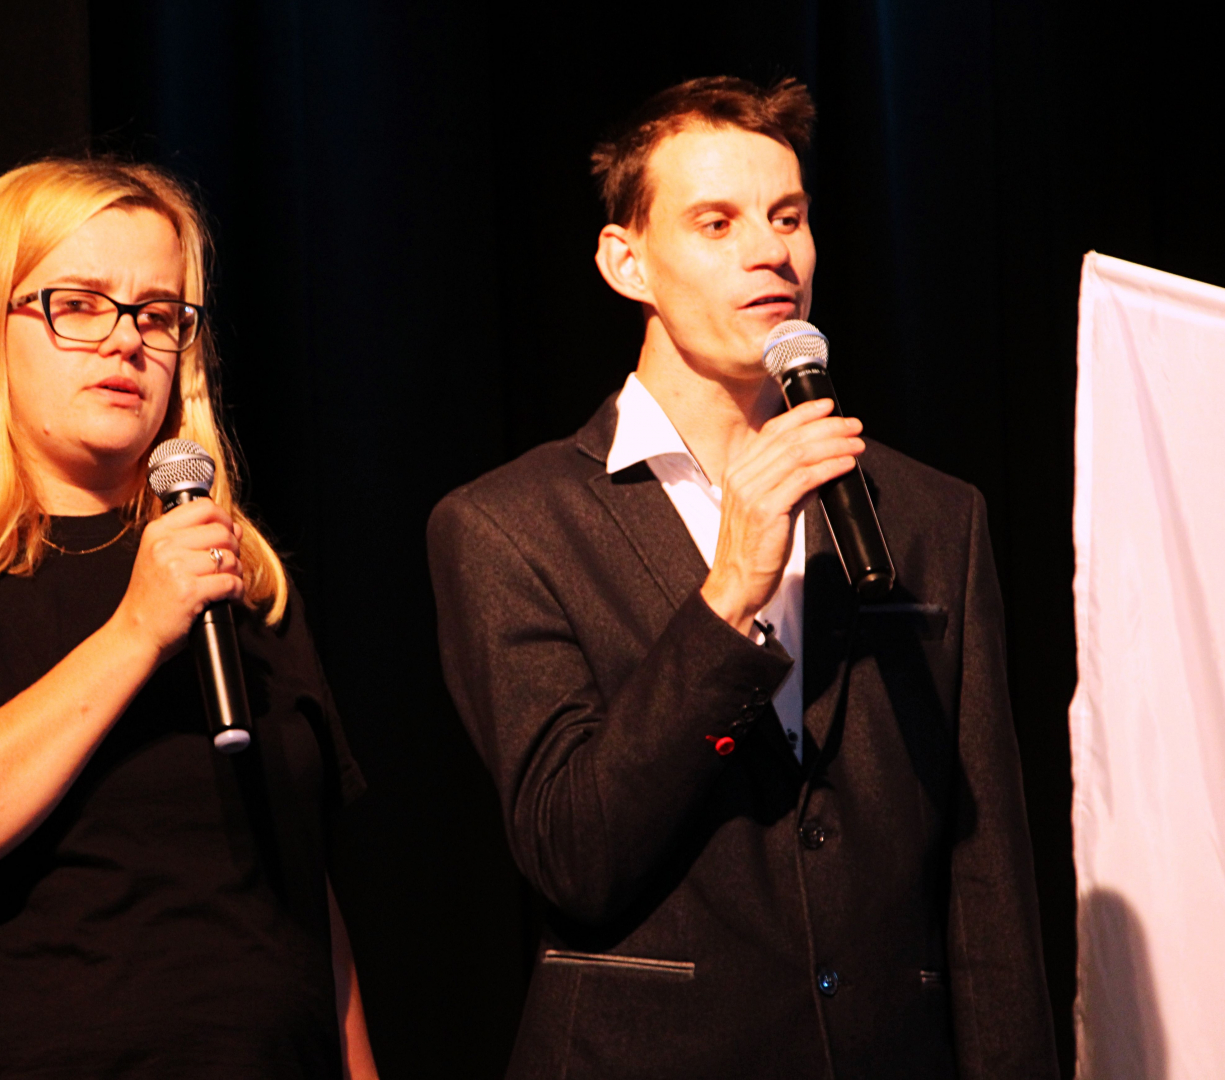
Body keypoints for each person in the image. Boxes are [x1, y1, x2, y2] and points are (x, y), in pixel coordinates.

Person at [427, 77, 1057, 1078]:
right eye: (715, 224)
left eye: (787, 217)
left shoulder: (932, 514)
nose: (769, 252)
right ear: (625, 261)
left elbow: (985, 867)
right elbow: (572, 852)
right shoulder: (509, 524)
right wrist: (726, 596)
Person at [0, 158, 379, 1080]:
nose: (125, 341)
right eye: (80, 304)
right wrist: (136, 632)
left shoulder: (232, 574)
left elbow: (302, 894)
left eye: (157, 314)